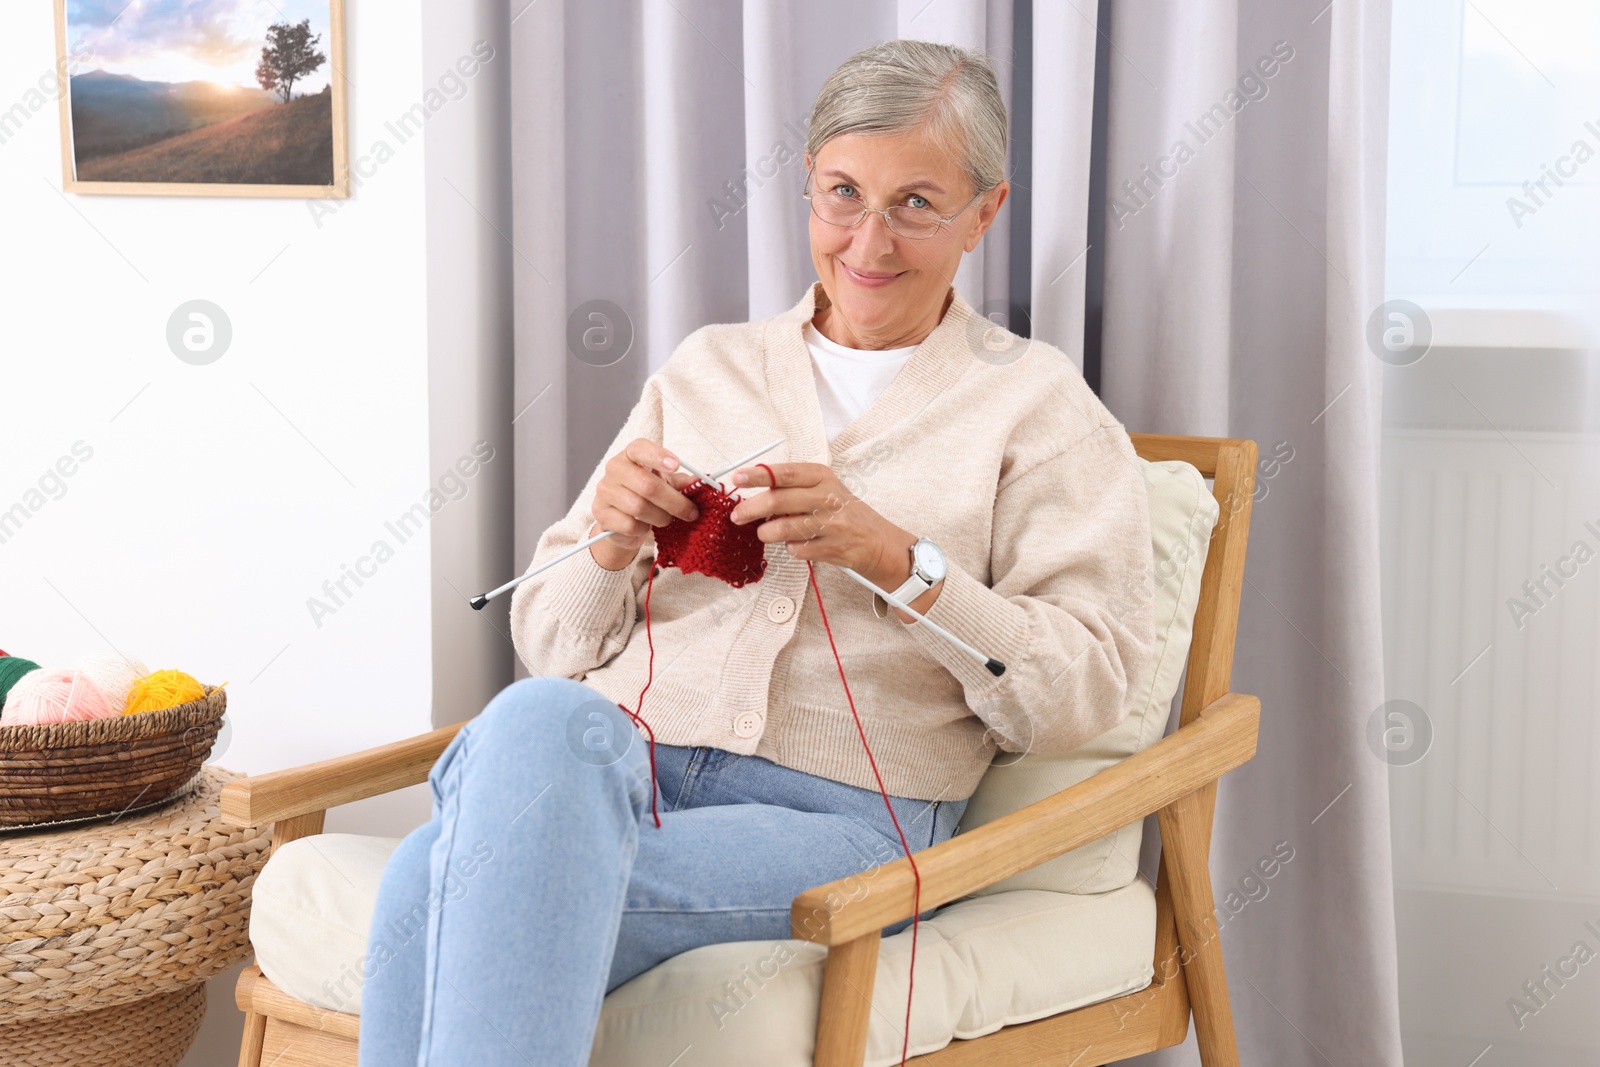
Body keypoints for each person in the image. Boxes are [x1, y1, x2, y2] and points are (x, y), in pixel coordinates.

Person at [357, 38, 1155, 1066]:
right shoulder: (710, 366)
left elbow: (1080, 691)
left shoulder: (1038, 407)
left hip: (844, 821)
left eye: (915, 202)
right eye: (842, 194)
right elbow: (548, 642)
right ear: (807, 188)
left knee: (432, 877)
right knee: (545, 712)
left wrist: (900, 561)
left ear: (982, 214)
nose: (869, 240)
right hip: (615, 766)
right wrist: (609, 538)